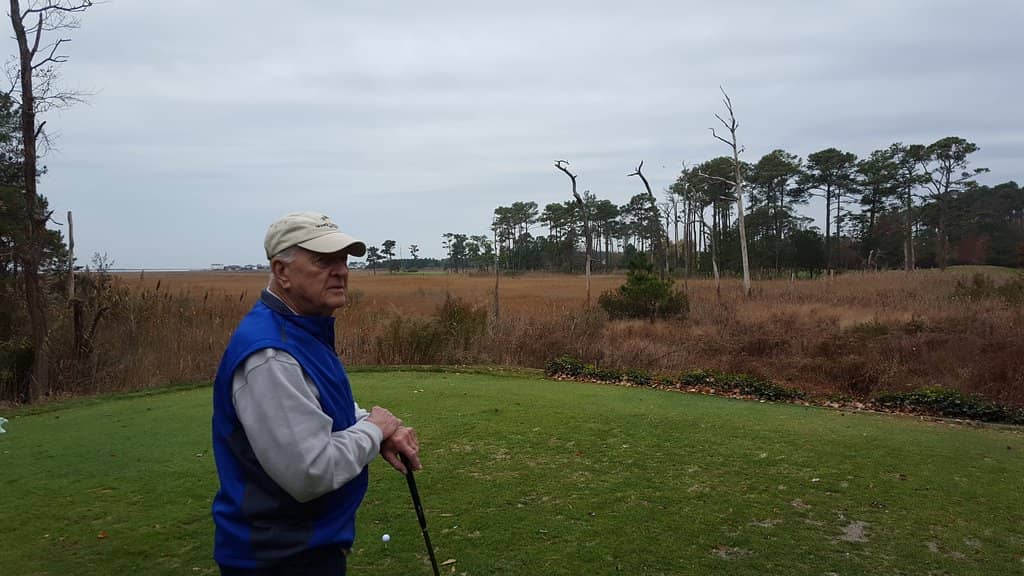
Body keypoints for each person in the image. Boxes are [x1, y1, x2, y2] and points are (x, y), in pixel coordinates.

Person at [211, 212, 421, 575]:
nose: (341, 270)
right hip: (280, 559)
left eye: (344, 259)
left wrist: (373, 429)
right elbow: (311, 471)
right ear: (282, 271)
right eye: (324, 260)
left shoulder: (302, 330)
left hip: (304, 547)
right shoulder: (270, 356)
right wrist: (373, 430)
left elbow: (322, 404)